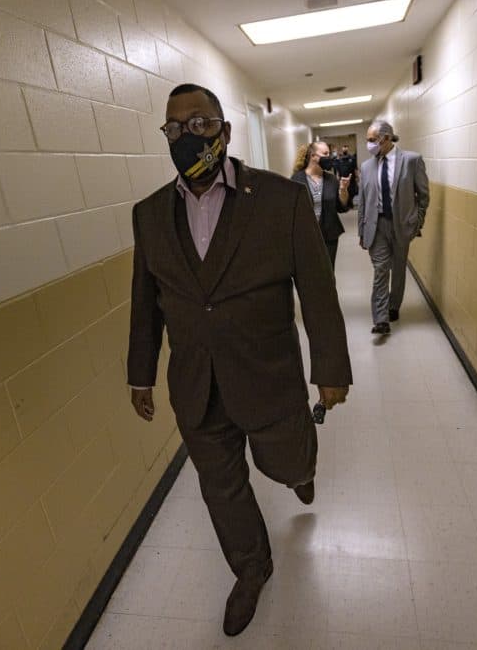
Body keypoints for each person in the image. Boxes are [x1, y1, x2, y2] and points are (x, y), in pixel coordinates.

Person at [127, 83, 353, 637]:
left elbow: (317, 292)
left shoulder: (280, 199)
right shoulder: (150, 215)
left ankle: (301, 471)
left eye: (199, 123)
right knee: (221, 486)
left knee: (286, 461)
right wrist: (140, 374)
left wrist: (329, 370)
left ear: (225, 131)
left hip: (268, 376)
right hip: (196, 385)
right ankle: (252, 568)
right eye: (174, 128)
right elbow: (145, 301)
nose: (187, 136)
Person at [356, 120, 429, 335]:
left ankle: (393, 305)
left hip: (401, 225)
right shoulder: (367, 166)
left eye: (371, 140)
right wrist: (361, 230)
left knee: (398, 269)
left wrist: (417, 221)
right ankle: (381, 319)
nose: (369, 145)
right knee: (380, 269)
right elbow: (363, 201)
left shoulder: (412, 161)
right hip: (376, 226)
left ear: (386, 138)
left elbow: (423, 196)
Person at [290, 141, 351, 267]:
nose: (329, 157)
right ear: (313, 156)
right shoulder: (296, 180)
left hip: (329, 234)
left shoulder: (331, 179)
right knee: (309, 272)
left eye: (329, 153)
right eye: (325, 153)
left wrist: (343, 190)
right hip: (306, 236)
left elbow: (341, 207)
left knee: (328, 272)